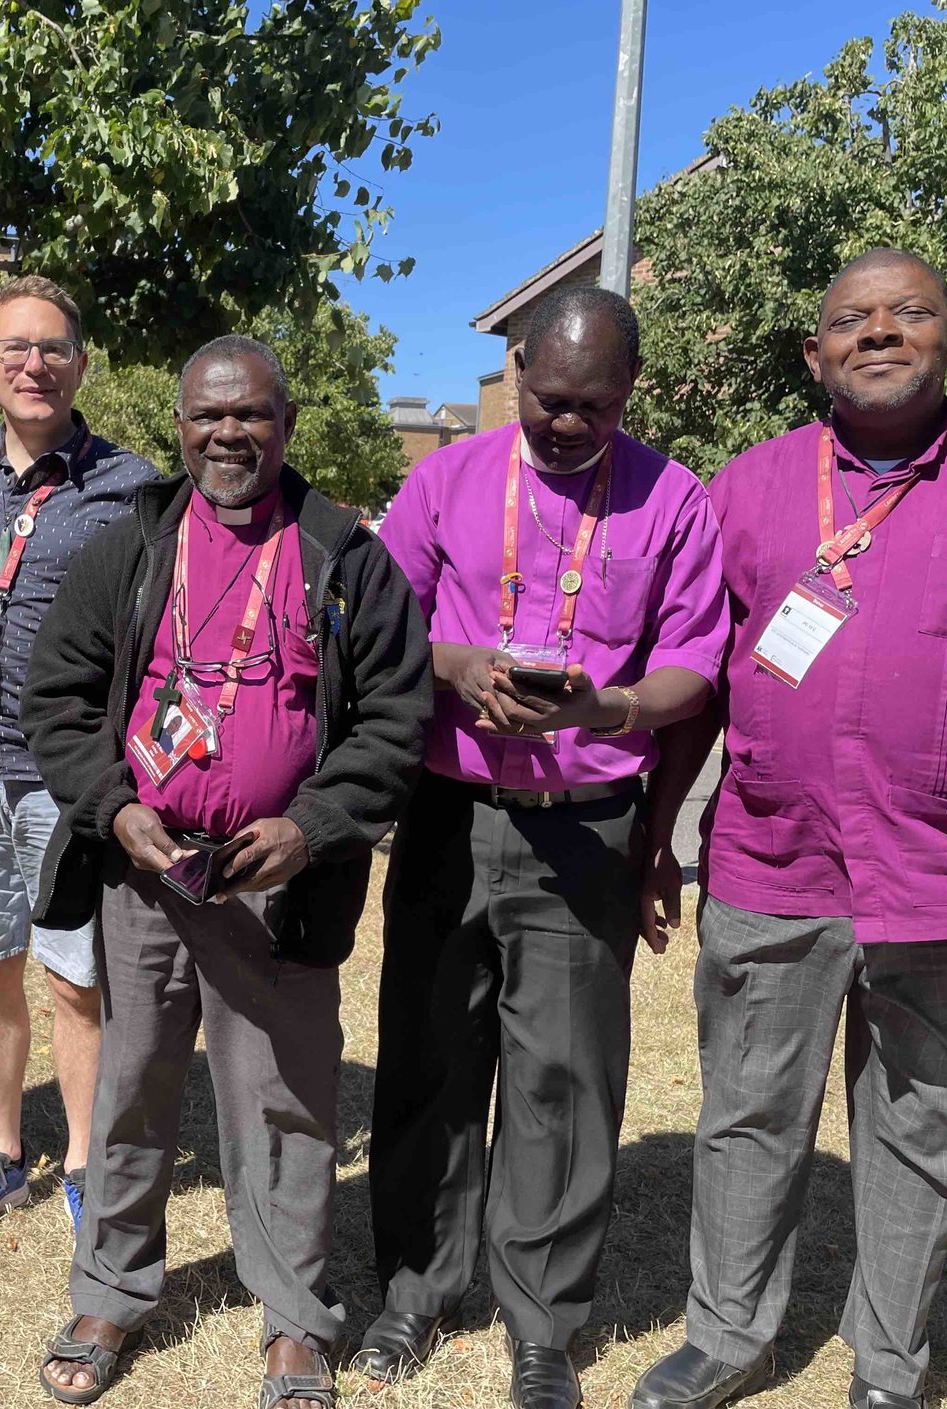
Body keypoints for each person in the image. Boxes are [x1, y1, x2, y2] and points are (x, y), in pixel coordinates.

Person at [630, 249, 947, 1409]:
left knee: (927, 1131)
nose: (878, 333)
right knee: (745, 1115)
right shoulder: (744, 490)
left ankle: (888, 1363)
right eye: (852, 320)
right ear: (815, 351)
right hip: (772, 866)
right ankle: (730, 1334)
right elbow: (700, 676)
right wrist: (654, 833)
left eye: (908, 315)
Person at [22, 335, 432, 1407]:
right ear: (181, 427)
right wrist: (114, 805)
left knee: (288, 1101)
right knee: (131, 1084)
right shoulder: (133, 543)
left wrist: (317, 822)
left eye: (250, 414)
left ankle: (295, 1314)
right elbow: (57, 696)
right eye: (208, 416)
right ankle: (111, 1283)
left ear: (286, 423)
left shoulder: (343, 551)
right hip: (147, 876)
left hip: (276, 883)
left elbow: (396, 713)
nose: (228, 434)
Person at [366, 286, 730, 1408]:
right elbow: (381, 621)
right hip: (449, 813)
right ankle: (415, 1289)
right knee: (430, 1053)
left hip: (585, 825)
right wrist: (459, 665)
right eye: (549, 398)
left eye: (594, 406)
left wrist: (605, 707)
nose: (566, 422)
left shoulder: (674, 499)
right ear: (517, 367)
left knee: (563, 1079)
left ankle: (543, 1322)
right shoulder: (447, 480)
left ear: (630, 393)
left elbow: (694, 664)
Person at [0, 276, 159, 1241]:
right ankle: (3, 1151)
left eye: (53, 348)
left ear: (82, 364)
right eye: (14, 348)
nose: (34, 364)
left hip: (70, 775)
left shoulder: (132, 484)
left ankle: (89, 1164)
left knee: (74, 978)